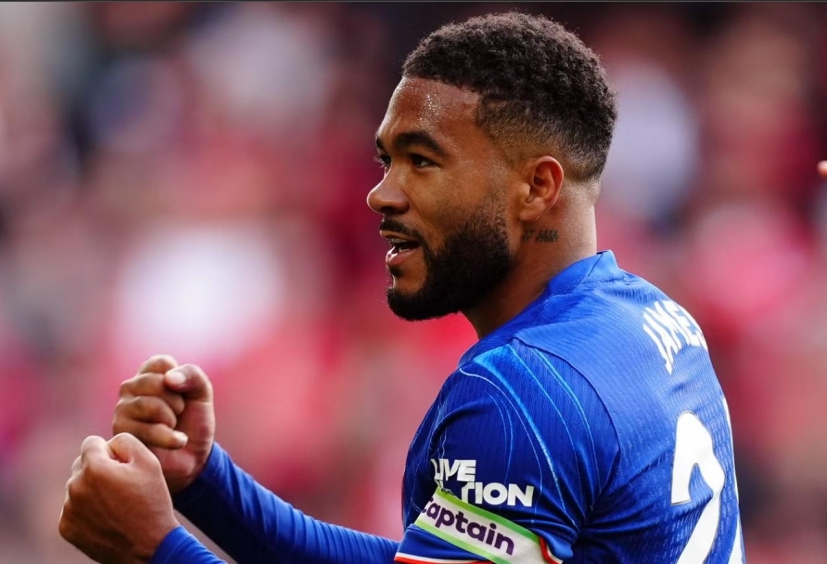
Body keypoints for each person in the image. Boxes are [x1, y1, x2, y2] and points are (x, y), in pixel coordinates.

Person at [60, 11, 780, 563]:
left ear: (537, 187)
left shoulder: (521, 394)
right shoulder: (654, 319)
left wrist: (153, 549)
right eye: (387, 160)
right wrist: (206, 484)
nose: (381, 194)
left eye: (423, 162)